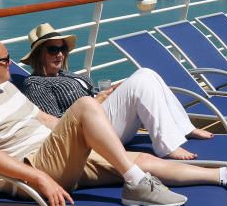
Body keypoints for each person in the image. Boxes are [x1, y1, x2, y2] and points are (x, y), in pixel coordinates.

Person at [0, 37, 227, 206]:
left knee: (141, 160)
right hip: (31, 171)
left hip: (54, 156)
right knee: (86, 105)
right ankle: (136, 183)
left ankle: (226, 176)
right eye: (5, 60)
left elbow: (44, 119)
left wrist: (81, 133)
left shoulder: (7, 88)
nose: (11, 64)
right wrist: (41, 180)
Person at [19, 23, 212, 160]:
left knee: (148, 74)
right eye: (53, 50)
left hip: (104, 125)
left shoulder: (67, 74)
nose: (60, 54)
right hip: (87, 137)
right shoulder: (35, 84)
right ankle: (167, 146)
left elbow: (89, 96)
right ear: (39, 55)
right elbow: (58, 126)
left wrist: (108, 93)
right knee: (143, 77)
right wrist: (98, 102)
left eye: (62, 49)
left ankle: (185, 128)